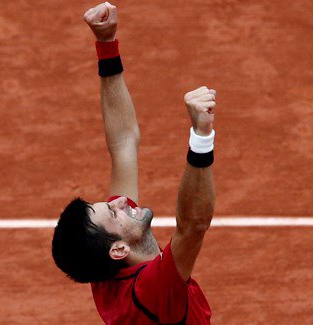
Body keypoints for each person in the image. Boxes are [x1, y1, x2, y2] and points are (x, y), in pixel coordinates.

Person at [52, 2, 217, 324]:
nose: (120, 202)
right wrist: (201, 136)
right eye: (112, 212)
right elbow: (193, 226)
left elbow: (123, 144)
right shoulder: (151, 290)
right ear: (118, 250)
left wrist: (106, 45)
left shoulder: (106, 265)